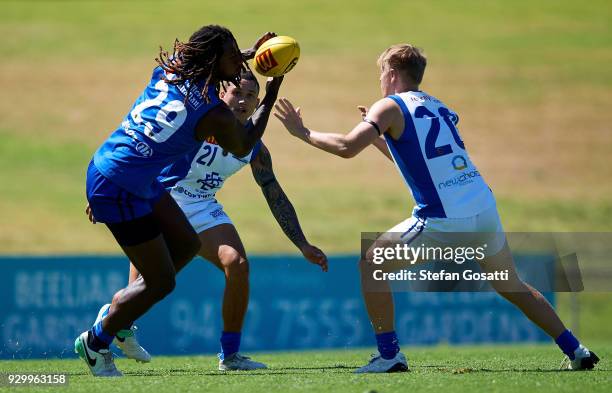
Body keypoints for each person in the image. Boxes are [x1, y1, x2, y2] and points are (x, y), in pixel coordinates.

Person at [273, 44, 599, 373]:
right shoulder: (436, 105)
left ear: (390, 73)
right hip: (483, 210)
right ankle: (577, 350)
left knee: (372, 264)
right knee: (511, 284)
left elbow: (346, 147)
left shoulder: (389, 106)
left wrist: (303, 132)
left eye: (380, 74)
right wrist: (378, 139)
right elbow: (423, 162)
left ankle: (389, 356)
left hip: (446, 218)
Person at [77, 25, 283, 377]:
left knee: (187, 244)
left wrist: (248, 55)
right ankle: (97, 342)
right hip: (121, 184)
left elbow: (200, 62)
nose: (239, 60)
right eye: (232, 55)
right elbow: (244, 145)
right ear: (214, 62)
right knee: (161, 282)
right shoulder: (212, 113)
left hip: (117, 167)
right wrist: (273, 88)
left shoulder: (172, 69)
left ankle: (120, 315)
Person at [90, 69, 328, 371]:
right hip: (161, 198)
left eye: (250, 96)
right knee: (143, 289)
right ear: (221, 94)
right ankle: (112, 325)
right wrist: (107, 191)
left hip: (203, 205)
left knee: (237, 264)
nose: (242, 100)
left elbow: (274, 193)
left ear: (257, 104)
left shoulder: (253, 147)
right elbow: (141, 148)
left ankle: (230, 356)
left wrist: (302, 244)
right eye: (236, 93)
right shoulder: (197, 124)